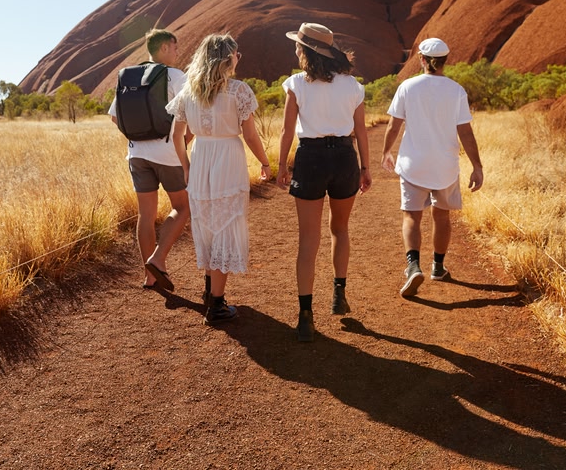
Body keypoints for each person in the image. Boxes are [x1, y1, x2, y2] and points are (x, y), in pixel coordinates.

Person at [166, 33, 272, 325]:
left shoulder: (189, 91)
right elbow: (250, 135)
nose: (239, 59)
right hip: (228, 158)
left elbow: (177, 137)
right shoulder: (238, 91)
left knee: (208, 222)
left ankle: (210, 288)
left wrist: (186, 167)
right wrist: (264, 162)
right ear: (228, 58)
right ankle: (217, 305)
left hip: (201, 158)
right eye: (237, 54)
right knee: (226, 223)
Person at [277, 22, 371, 343]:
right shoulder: (353, 86)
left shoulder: (297, 85)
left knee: (308, 240)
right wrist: (366, 168)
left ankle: (306, 316)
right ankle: (338, 294)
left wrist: (280, 166)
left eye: (298, 45)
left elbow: (287, 132)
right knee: (340, 229)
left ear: (305, 51)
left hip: (311, 159)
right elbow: (360, 131)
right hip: (345, 158)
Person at [380, 37, 484, 298]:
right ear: (445, 61)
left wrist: (386, 152)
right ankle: (438, 266)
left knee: (411, 216)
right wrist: (477, 165)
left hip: (413, 164)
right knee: (442, 216)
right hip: (445, 166)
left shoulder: (407, 86)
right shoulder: (456, 90)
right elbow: (465, 131)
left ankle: (413, 266)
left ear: (422, 60)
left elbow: (394, 125)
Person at [109, 28, 192, 293]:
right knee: (182, 206)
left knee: (145, 215)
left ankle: (150, 276)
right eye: (176, 48)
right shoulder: (175, 76)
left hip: (136, 154)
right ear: (165, 47)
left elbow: (114, 116)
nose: (177, 53)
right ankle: (158, 258)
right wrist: (183, 143)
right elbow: (190, 112)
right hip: (167, 153)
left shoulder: (130, 76)